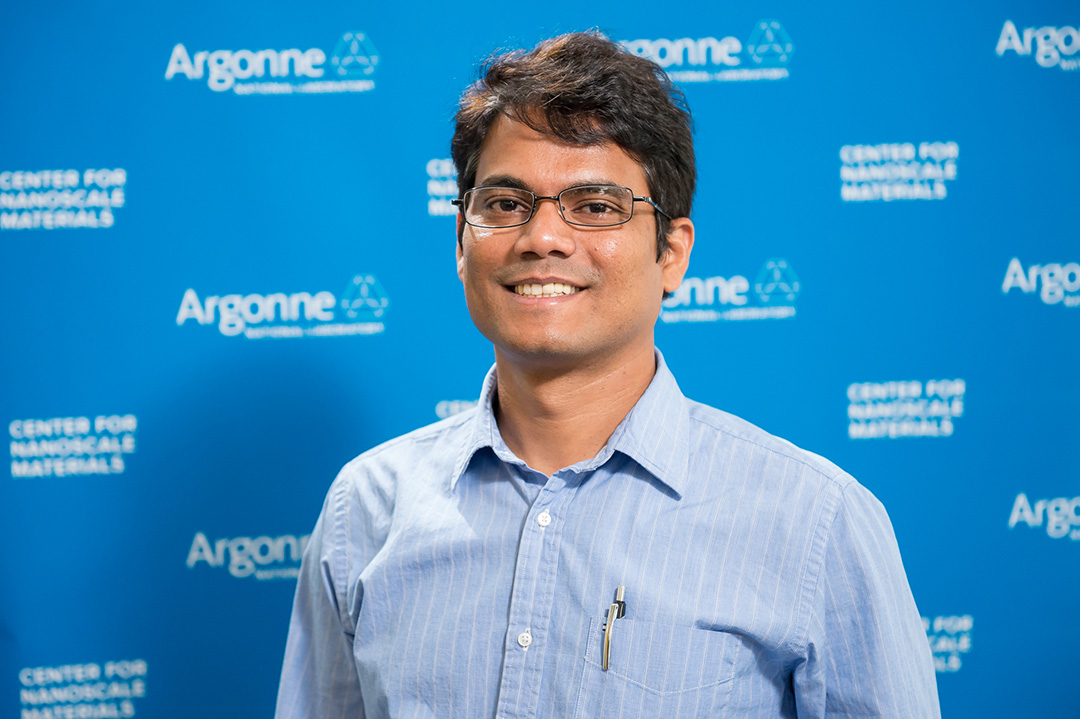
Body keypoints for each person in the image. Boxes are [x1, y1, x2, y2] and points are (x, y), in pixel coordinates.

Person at [276, 31, 940, 719]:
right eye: (504, 204)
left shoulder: (816, 522)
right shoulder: (366, 509)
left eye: (595, 206)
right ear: (461, 241)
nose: (542, 237)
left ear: (672, 252)